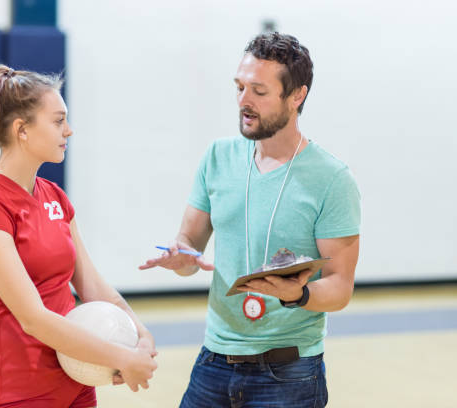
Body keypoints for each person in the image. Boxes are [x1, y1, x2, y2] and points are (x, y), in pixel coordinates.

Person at [140, 32, 360, 407]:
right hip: (213, 361)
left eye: (259, 91)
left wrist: (299, 294)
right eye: (240, 87)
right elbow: (190, 247)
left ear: (296, 96)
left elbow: (340, 287)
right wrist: (182, 259)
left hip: (290, 372)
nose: (243, 101)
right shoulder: (217, 157)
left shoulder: (331, 179)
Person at [0, 64, 157, 408]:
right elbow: (33, 319)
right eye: (57, 121)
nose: (69, 130)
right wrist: (121, 358)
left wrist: (141, 334)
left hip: (78, 380)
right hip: (22, 392)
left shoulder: (55, 197)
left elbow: (93, 287)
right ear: (22, 129)